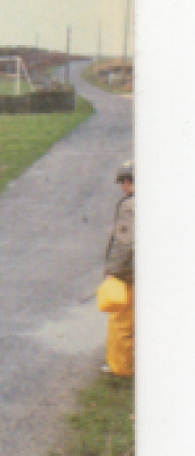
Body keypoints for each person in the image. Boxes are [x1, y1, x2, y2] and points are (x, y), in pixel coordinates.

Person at [102, 161, 134, 377]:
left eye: (122, 183)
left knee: (121, 320)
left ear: (127, 181)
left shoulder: (129, 205)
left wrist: (112, 270)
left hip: (129, 273)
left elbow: (124, 242)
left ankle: (121, 368)